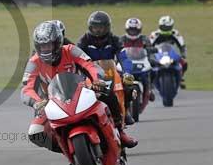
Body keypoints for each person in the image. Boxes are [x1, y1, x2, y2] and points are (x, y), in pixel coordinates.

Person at [22, 21, 137, 151]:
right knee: (35, 133)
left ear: (58, 42)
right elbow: (26, 88)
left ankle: (120, 132)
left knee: (108, 93)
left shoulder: (70, 50)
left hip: (81, 90)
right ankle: (64, 148)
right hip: (50, 102)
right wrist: (37, 102)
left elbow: (90, 65)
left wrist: (97, 80)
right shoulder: (33, 62)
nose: (46, 49)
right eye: (42, 46)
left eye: (49, 45)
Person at [76, 11, 133, 125]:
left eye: (101, 27)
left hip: (111, 71)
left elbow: (124, 57)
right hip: (90, 74)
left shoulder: (114, 39)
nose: (98, 30)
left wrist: (127, 73)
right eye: (95, 27)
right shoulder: (84, 40)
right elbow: (76, 58)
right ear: (90, 27)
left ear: (107, 27)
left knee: (129, 87)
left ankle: (124, 112)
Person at [119, 17, 156, 103]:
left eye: (135, 30)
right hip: (126, 61)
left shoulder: (145, 39)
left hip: (141, 60)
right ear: (127, 29)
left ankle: (150, 88)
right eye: (131, 30)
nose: (133, 32)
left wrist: (151, 54)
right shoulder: (122, 39)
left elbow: (150, 51)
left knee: (154, 69)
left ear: (139, 29)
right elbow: (117, 50)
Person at [149, 15, 188, 89]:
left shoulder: (175, 33)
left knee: (184, 63)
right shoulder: (155, 34)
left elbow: (182, 45)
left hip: (171, 54)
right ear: (160, 26)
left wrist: (183, 54)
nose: (165, 29)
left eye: (167, 27)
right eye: (164, 27)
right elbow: (148, 45)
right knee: (149, 65)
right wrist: (148, 54)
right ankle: (150, 81)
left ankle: (180, 78)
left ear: (171, 26)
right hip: (158, 55)